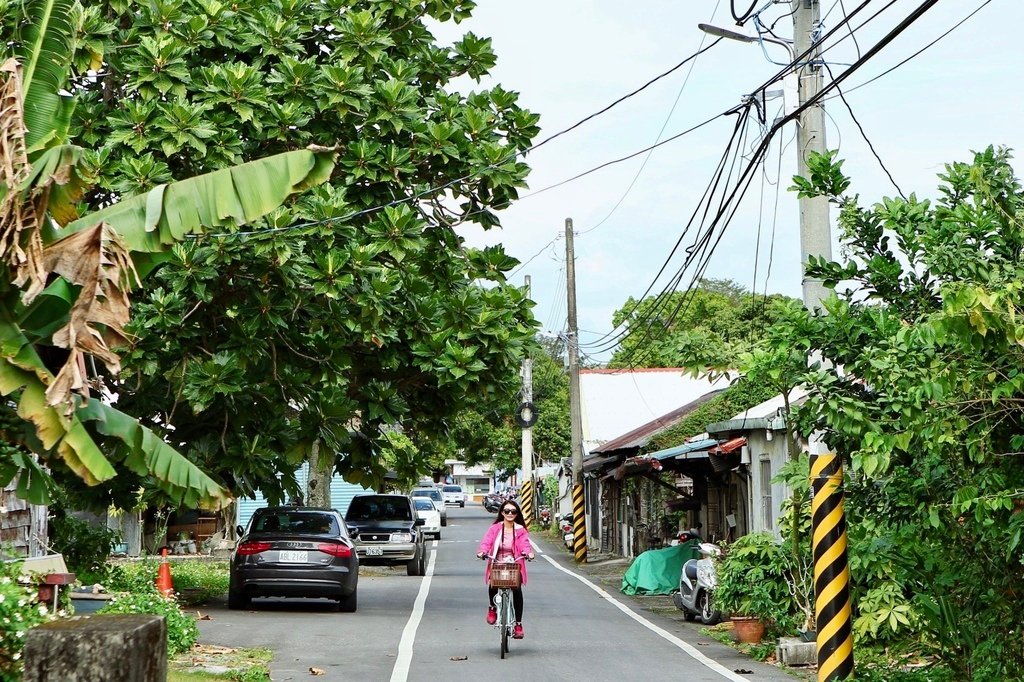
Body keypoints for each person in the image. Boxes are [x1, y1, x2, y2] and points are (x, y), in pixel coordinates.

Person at [476, 498, 535, 639]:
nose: (510, 513)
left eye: (513, 511)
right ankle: (492, 608)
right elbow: (486, 542)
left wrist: (528, 553)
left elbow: (525, 544)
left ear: (516, 513)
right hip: (497, 562)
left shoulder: (520, 530)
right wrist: (482, 552)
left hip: (514, 563)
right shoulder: (495, 528)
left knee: (517, 589)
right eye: (507, 511)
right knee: (493, 583)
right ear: (502, 512)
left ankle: (518, 624)